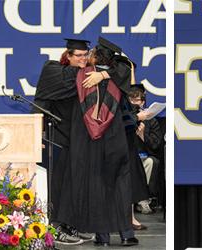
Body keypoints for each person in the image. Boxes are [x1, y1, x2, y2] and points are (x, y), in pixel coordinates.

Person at [54, 37, 139, 247]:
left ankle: (102, 237)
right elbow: (128, 66)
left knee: (97, 185)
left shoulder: (79, 75)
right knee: (118, 182)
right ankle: (127, 234)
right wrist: (106, 73)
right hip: (114, 136)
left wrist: (101, 73)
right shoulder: (118, 76)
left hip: (87, 138)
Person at [33, 38, 95, 245]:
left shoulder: (89, 76)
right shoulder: (55, 74)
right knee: (57, 185)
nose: (83, 59)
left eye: (86, 55)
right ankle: (55, 226)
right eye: (78, 55)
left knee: (73, 185)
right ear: (68, 56)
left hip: (77, 139)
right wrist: (35, 134)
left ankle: (69, 223)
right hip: (56, 139)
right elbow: (41, 102)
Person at [128, 84, 164, 215]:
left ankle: (143, 200)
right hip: (128, 157)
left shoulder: (151, 121)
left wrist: (143, 136)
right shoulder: (126, 119)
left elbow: (156, 145)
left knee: (151, 162)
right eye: (130, 100)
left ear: (142, 102)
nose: (133, 103)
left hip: (144, 157)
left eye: (136, 100)